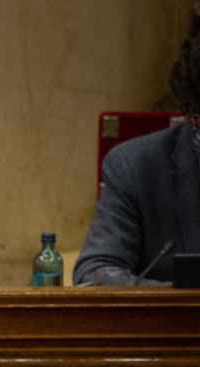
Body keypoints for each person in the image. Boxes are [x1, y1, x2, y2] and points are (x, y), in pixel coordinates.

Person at [75, 14, 200, 286]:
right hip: (178, 327)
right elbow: (96, 272)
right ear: (191, 116)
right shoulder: (136, 166)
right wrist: (182, 299)